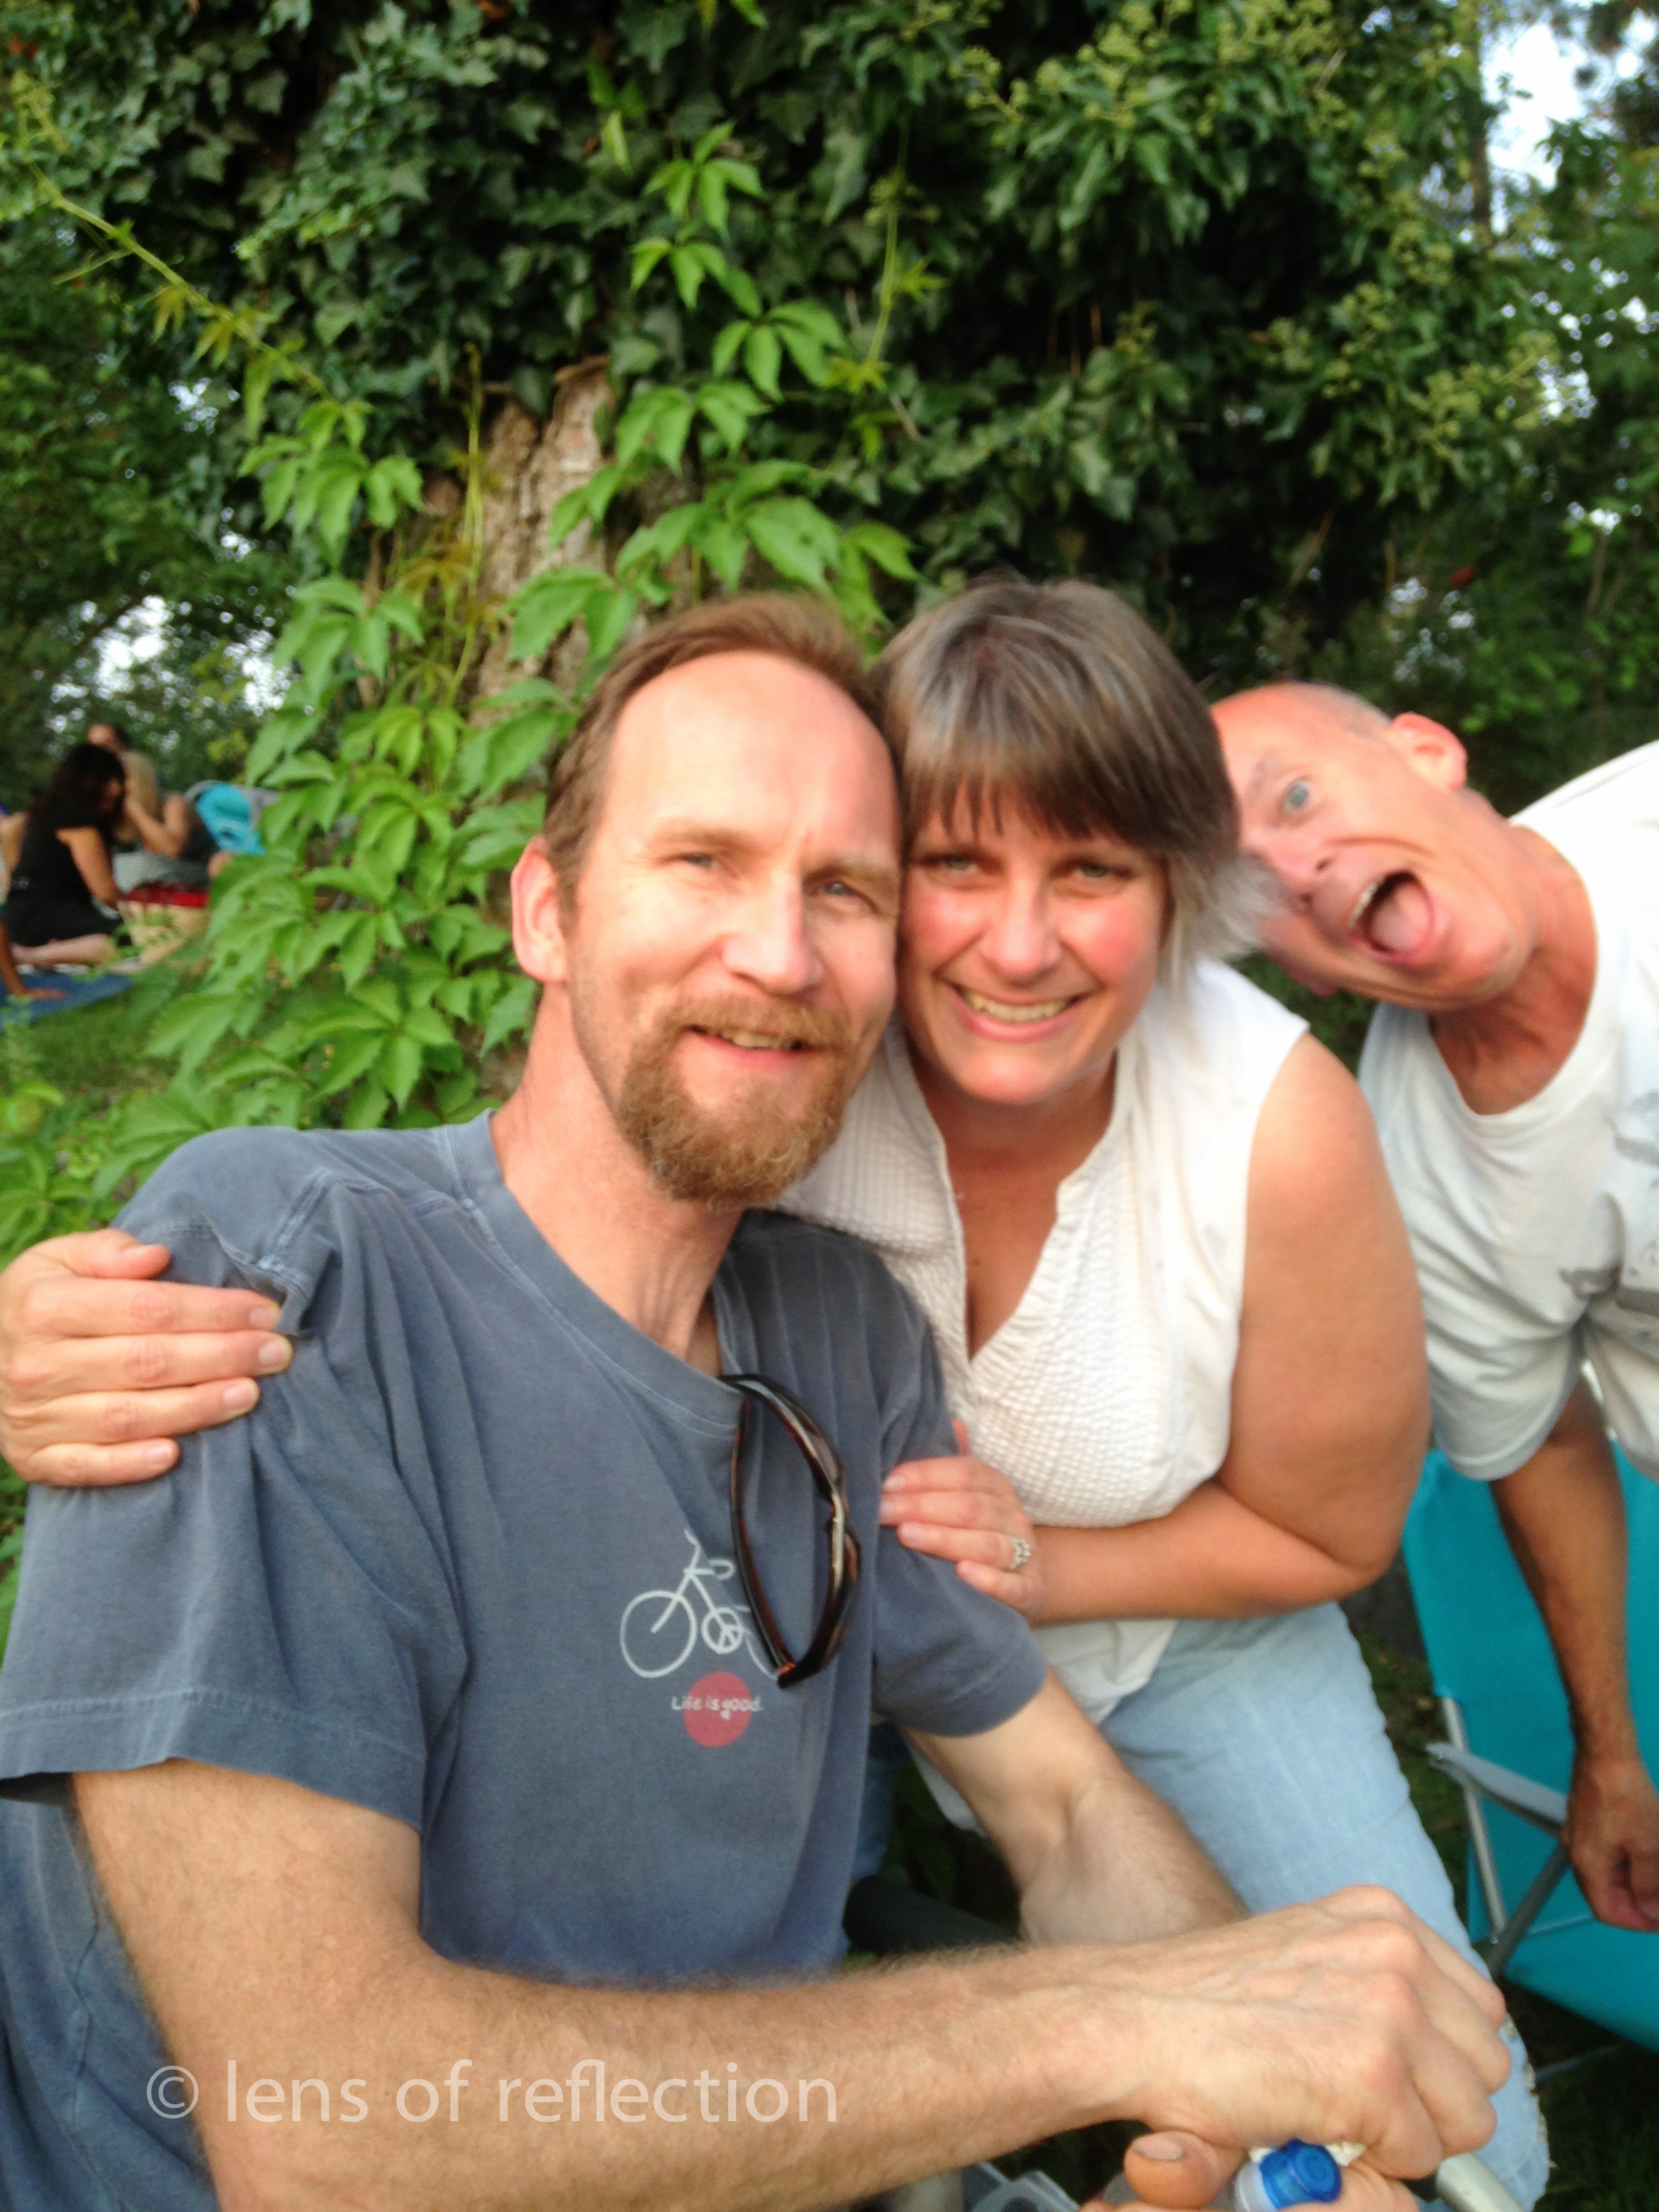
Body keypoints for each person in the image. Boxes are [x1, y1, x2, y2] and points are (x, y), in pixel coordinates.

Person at [0, 597, 1509, 2212]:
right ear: (547, 913)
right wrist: (1123, 2023)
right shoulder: (282, 1279)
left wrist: (1257, 2139)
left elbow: (1067, 1808)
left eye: (842, 889)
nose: (780, 954)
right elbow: (328, 2134)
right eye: (702, 860)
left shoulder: (842, 1335)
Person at [1213, 680, 1659, 1941]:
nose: (1294, 868)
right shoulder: (1405, 1179)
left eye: (1297, 796)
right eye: (1245, 889)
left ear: (1426, 751)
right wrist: (1611, 1750)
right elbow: (1542, 1443)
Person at [1, 742, 127, 966]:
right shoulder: (78, 825)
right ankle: (26, 956)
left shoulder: (43, 814)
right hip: (50, 915)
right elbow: (106, 893)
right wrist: (143, 917)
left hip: (19, 915)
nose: (117, 789)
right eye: (108, 781)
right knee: (123, 940)